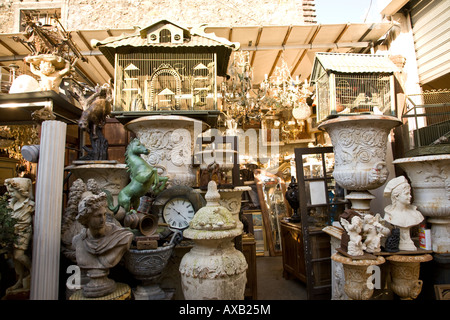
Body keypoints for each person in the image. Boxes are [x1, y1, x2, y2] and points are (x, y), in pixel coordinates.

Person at [73, 192, 133, 297]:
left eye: (104, 214)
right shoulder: (78, 241)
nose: (103, 220)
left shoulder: (121, 237)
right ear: (86, 219)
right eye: (98, 216)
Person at [4, 177, 34, 294]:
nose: (10, 193)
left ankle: (32, 271)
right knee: (14, 257)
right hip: (13, 232)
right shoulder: (10, 204)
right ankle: (20, 279)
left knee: (18, 255)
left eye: (12, 191)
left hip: (23, 232)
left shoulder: (29, 205)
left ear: (21, 190)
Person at [384, 176, 424, 251]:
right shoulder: (389, 214)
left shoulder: (416, 214)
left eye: (409, 193)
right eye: (406, 194)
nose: (410, 196)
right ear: (396, 196)